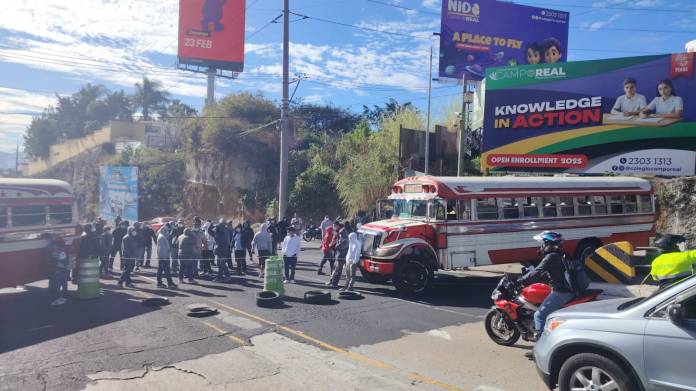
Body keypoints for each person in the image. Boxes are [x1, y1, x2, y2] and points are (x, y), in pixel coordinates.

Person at [518, 231, 574, 351]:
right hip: (570, 289)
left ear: (548, 244)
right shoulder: (563, 254)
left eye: (543, 243)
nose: (541, 246)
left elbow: (537, 272)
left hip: (562, 292)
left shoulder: (551, 257)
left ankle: (539, 349)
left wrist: (521, 280)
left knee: (539, 315)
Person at [47, 234, 70, 305]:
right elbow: (54, 259)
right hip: (58, 268)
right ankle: (56, 299)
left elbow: (66, 256)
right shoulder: (55, 248)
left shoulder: (58, 247)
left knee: (61, 283)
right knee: (57, 284)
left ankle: (60, 297)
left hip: (60, 267)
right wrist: (61, 266)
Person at [327, 220, 350, 288]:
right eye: (333, 226)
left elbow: (345, 242)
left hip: (342, 254)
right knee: (335, 268)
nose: (333, 227)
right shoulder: (338, 232)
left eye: (334, 226)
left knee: (338, 269)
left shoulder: (343, 231)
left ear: (338, 226)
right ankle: (332, 281)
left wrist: (337, 246)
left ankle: (335, 283)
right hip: (338, 253)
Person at [156, 224, 177, 288]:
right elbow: (162, 248)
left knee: (160, 270)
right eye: (166, 230)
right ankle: (170, 283)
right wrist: (165, 257)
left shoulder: (162, 236)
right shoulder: (162, 237)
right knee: (167, 270)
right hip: (164, 257)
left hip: (162, 256)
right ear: (163, 230)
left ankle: (160, 283)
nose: (167, 231)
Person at [343, 225, 363, 291]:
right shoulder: (351, 243)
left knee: (352, 275)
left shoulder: (358, 244)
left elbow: (357, 254)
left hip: (353, 262)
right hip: (348, 261)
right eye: (349, 238)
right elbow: (349, 252)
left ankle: (350, 287)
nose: (350, 239)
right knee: (347, 275)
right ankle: (346, 286)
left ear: (354, 237)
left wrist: (355, 261)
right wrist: (346, 260)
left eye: (351, 238)